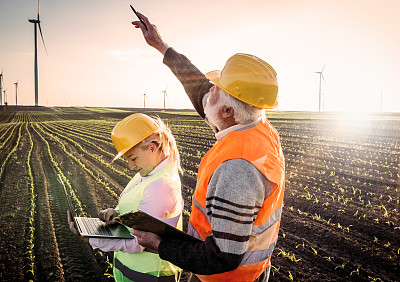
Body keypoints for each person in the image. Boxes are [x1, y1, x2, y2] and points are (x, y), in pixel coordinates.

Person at [130, 13, 285, 282]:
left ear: (227, 111)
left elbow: (221, 257)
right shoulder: (258, 127)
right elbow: (198, 87)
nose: (208, 90)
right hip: (254, 270)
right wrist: (162, 46)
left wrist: (160, 245)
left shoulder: (237, 170)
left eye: (215, 88)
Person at [67, 113, 183, 281]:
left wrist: (92, 239)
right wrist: (117, 213)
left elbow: (140, 242)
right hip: (131, 270)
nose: (130, 166)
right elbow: (139, 206)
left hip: (150, 275)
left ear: (152, 147)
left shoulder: (162, 185)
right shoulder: (149, 170)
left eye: (133, 158)